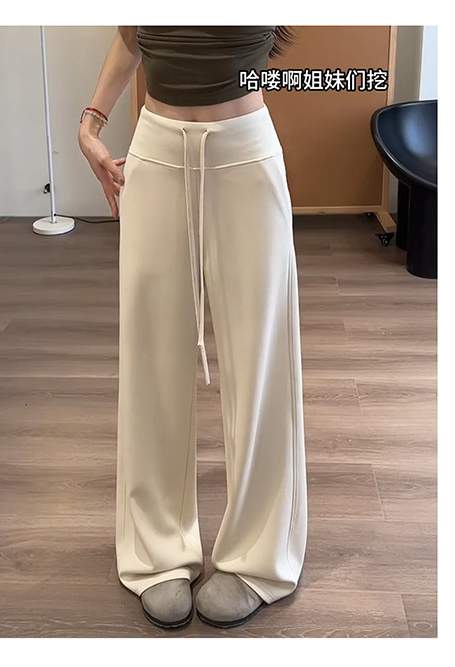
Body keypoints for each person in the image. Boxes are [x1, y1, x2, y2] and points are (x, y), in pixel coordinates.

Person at [78, 25, 307, 631]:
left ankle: (258, 556)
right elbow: (132, 35)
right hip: (156, 152)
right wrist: (91, 122)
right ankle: (157, 550)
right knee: (151, 356)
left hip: (245, 150)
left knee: (261, 359)